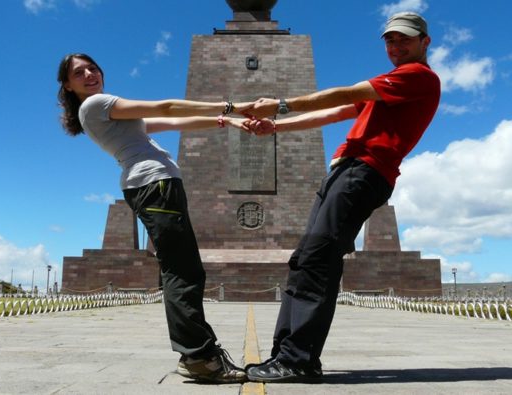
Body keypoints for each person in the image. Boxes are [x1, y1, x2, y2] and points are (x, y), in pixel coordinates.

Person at [241, 12, 441, 382]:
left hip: (364, 171)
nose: (396, 47)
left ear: (424, 42)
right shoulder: (391, 87)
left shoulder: (417, 77)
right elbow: (335, 112)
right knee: (305, 259)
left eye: (405, 40)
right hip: (345, 172)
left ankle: (298, 358)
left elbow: (346, 93)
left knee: (318, 259)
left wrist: (281, 104)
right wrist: (275, 127)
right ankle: (289, 355)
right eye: (390, 41)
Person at [57, 53, 252, 384]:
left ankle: (198, 353)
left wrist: (225, 121)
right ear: (68, 85)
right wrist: (231, 106)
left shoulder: (109, 115)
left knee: (185, 268)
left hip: (154, 185)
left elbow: (174, 122)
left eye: (93, 67)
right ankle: (198, 357)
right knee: (182, 270)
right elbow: (166, 107)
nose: (90, 73)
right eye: (79, 73)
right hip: (154, 185)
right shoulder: (97, 104)